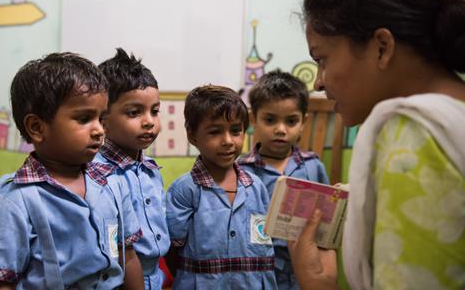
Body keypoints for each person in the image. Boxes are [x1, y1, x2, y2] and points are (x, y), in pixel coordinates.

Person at [287, 0, 465, 290]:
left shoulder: (415, 134)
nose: (319, 82)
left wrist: (316, 284)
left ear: (382, 47)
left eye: (322, 59)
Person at [0, 52, 144, 290]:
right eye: (84, 118)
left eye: (101, 119)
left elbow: (128, 256)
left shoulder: (113, 183)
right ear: (37, 127)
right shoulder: (14, 201)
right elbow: (1, 282)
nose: (99, 130)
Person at [165, 85, 279, 289]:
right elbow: (172, 251)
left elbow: (264, 244)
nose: (228, 141)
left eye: (235, 131)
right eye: (215, 132)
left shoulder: (256, 187)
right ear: (192, 135)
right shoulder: (186, 190)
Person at [237, 69, 329, 290]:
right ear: (253, 119)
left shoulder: (312, 166)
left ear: (303, 122)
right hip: (256, 270)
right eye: (270, 119)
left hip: (302, 269)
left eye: (291, 121)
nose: (280, 129)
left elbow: (326, 220)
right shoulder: (241, 169)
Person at [94, 48, 169, 290]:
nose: (149, 121)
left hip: (154, 276)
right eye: (134, 112)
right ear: (103, 118)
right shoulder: (97, 174)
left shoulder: (150, 170)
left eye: (154, 111)